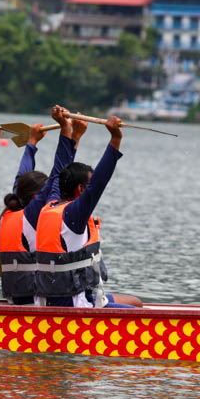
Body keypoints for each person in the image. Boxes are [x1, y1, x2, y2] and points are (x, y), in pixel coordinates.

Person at [33, 116, 137, 308]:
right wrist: (115, 140)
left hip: (46, 302)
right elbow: (99, 182)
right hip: (72, 305)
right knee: (137, 316)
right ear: (81, 190)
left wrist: (71, 134)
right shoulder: (73, 215)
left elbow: (58, 171)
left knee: (136, 303)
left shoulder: (49, 206)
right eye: (86, 187)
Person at [0, 106, 78, 304]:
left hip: (19, 298)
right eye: (46, 193)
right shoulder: (34, 213)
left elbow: (21, 176)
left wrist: (31, 143)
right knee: (133, 302)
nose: (53, 197)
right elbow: (58, 173)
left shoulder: (12, 209)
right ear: (36, 196)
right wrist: (66, 131)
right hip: (38, 302)